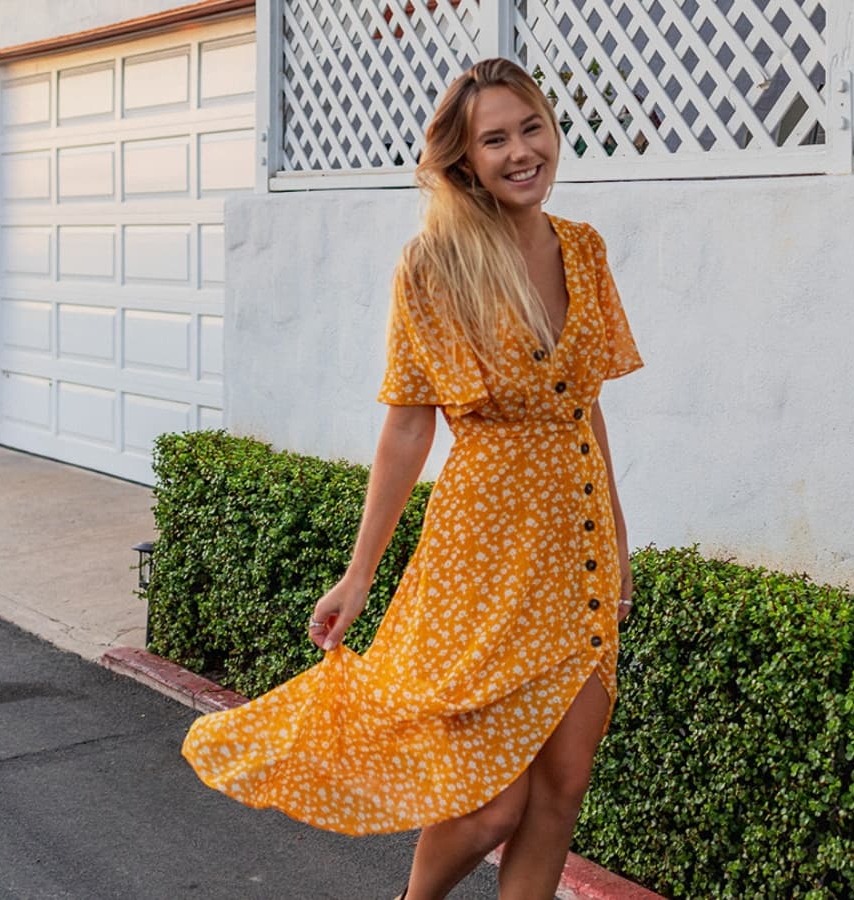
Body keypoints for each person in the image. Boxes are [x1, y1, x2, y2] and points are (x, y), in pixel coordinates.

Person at [181, 57, 643, 900]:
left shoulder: (584, 248)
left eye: (530, 127)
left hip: (574, 552)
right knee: (488, 806)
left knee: (562, 788)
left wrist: (617, 539)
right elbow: (406, 422)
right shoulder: (435, 265)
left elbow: (588, 408)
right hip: (483, 559)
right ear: (464, 159)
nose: (520, 152)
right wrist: (358, 576)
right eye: (494, 139)